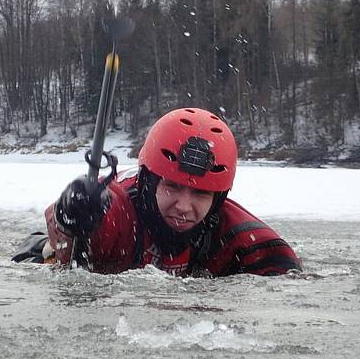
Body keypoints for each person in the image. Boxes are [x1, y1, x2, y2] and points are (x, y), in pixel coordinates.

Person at [33, 108, 300, 277]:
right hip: (40, 253)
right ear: (148, 182)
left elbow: (285, 270)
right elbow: (94, 226)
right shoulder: (117, 211)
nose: (184, 206)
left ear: (219, 198)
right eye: (172, 186)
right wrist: (71, 212)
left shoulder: (234, 232)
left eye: (201, 194)